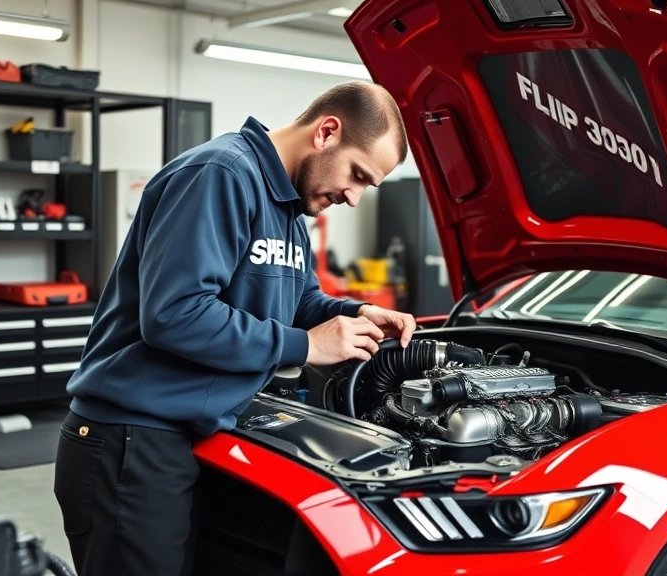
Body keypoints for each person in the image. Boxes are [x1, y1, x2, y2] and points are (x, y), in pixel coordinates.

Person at [52, 81, 415, 576]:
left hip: (192, 435)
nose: (353, 197)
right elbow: (174, 314)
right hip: (131, 440)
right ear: (326, 132)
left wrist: (352, 314)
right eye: (357, 175)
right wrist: (305, 345)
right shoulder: (221, 174)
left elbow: (298, 297)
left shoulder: (287, 203)